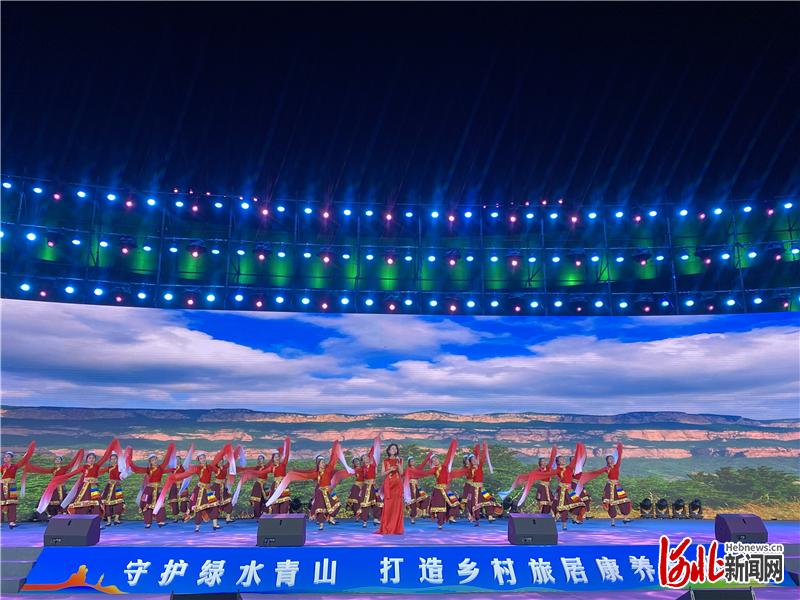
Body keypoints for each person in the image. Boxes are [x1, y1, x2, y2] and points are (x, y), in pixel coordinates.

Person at [265, 440, 351, 531]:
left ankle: (331, 518)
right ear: (318, 464)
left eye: (323, 462)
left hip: (328, 491)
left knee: (336, 504)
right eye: (321, 462)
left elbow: (333, 459)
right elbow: (305, 474)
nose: (323, 463)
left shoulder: (328, 469)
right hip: (319, 492)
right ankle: (321, 524)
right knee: (320, 508)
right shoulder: (315, 473)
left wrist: (335, 446)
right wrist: (294, 472)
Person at [156, 445, 232, 532]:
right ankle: (197, 527)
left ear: (205, 458)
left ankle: (215, 525)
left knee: (214, 505)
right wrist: (176, 477)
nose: (203, 459)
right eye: (201, 458)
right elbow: (186, 474)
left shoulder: (210, 467)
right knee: (198, 508)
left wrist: (224, 462)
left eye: (203, 458)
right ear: (199, 460)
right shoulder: (197, 468)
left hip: (208, 490)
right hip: (200, 490)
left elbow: (219, 470)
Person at [406, 439, 466, 529]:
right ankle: (440, 523)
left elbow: (449, 456)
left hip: (446, 489)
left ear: (438, 459)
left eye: (436, 458)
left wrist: (453, 444)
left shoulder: (444, 466)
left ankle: (451, 517)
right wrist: (412, 471)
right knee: (440, 508)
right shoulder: (434, 469)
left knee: (455, 503)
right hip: (438, 490)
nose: (435, 460)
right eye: (433, 460)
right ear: (432, 463)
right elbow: (424, 473)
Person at [126, 444, 176, 528]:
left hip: (158, 489)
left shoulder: (161, 467)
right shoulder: (148, 469)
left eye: (155, 459)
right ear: (150, 461)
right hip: (149, 489)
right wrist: (129, 461)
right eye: (152, 460)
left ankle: (160, 521)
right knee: (146, 504)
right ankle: (148, 522)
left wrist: (170, 448)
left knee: (160, 504)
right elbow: (136, 469)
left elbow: (166, 460)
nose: (154, 461)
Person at [24, 449, 84, 519]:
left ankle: (63, 512)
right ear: (54, 461)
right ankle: (50, 514)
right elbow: (42, 470)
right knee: (51, 499)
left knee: (62, 499)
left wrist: (79, 454)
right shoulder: (53, 469)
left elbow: (72, 463)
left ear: (61, 461)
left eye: (59, 459)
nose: (57, 460)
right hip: (53, 487)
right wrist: (30, 467)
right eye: (56, 459)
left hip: (61, 486)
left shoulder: (64, 468)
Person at [1, 442, 36, 528]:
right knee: (1, 503)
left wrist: (29, 451)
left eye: (8, 457)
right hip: (2, 485)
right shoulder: (2, 467)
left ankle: (12, 521)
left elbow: (23, 460)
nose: (5, 458)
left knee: (12, 503)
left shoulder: (15, 466)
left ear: (11, 458)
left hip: (12, 486)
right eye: (4, 457)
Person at [554, 444, 587, 531]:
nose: (563, 460)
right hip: (562, 490)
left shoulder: (569, 467)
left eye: (563, 459)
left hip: (570, 490)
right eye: (561, 459)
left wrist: (578, 448)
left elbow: (575, 460)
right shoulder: (558, 470)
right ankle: (564, 525)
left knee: (580, 503)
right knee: (564, 508)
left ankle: (574, 516)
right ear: (558, 462)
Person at [465, 442, 498, 525]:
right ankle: (476, 519)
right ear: (470, 462)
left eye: (475, 459)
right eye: (472, 460)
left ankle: (490, 516)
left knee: (488, 499)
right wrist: (471, 468)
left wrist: (484, 447)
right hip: (474, 489)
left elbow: (483, 457)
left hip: (481, 488)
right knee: (475, 504)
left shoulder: (480, 466)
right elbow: (469, 476)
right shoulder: (470, 469)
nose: (475, 460)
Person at [378, 443, 404, 535]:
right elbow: (382, 474)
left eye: (395, 448)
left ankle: (396, 528)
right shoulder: (385, 461)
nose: (394, 450)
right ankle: (387, 527)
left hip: (397, 485)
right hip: (389, 485)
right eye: (392, 448)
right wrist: (390, 470)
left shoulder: (399, 460)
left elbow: (401, 473)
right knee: (388, 506)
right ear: (389, 450)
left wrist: (398, 463)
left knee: (397, 506)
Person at [359, 440, 382, 527]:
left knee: (377, 502)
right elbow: (361, 479)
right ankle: (364, 521)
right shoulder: (362, 468)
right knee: (365, 503)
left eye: (367, 457)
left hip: (373, 486)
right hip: (366, 487)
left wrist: (376, 442)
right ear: (362, 460)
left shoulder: (373, 466)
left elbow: (375, 476)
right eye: (364, 458)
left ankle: (376, 519)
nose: (366, 458)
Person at [99, 453, 126, 526]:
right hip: (109, 486)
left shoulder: (120, 467)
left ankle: (116, 519)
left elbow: (123, 475)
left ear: (117, 460)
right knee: (107, 503)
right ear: (110, 460)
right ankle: (109, 520)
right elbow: (100, 472)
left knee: (119, 502)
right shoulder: (109, 468)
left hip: (117, 486)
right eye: (112, 459)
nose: (113, 460)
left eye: (115, 459)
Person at [268, 438, 291, 515]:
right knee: (275, 507)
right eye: (275, 457)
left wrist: (287, 444)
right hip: (275, 488)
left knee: (284, 506)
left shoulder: (283, 464)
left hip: (283, 487)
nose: (277, 458)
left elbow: (286, 455)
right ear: (273, 459)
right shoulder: (272, 467)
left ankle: (284, 520)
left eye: (278, 456)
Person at [406, 455, 431, 524]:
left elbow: (423, 464)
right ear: (409, 462)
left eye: (413, 461)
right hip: (410, 487)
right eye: (411, 461)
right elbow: (403, 476)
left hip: (416, 486)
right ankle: (412, 518)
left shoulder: (417, 469)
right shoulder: (407, 469)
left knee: (425, 497)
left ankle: (423, 511)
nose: (412, 462)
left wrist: (428, 456)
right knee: (413, 501)